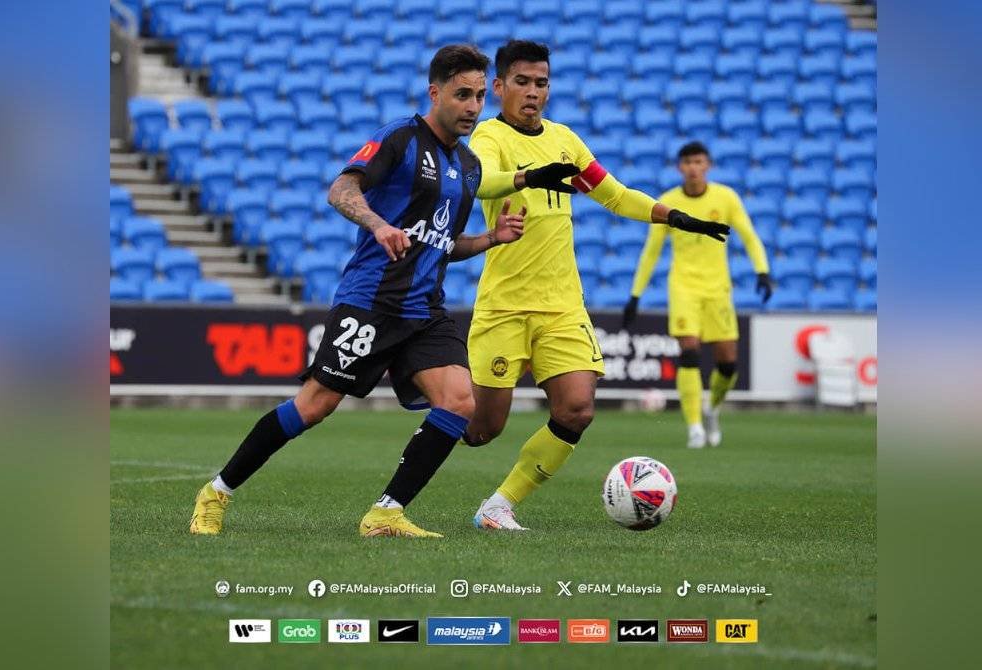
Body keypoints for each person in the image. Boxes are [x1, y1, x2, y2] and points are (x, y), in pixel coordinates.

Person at [189, 45, 531, 539]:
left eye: (480, 95)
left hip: (424, 310)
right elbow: (341, 190)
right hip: (371, 302)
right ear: (435, 93)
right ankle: (216, 492)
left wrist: (489, 240)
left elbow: (442, 244)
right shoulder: (398, 138)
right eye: (462, 95)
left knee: (459, 401)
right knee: (314, 405)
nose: (474, 106)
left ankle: (386, 513)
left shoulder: (470, 168)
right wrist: (378, 225)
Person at [462, 41, 731, 531]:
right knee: (483, 429)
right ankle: (434, 395)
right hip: (504, 306)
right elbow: (479, 181)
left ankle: (499, 505)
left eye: (541, 82)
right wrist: (528, 177)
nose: (533, 92)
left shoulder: (565, 139)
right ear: (498, 87)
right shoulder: (490, 136)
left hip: (562, 304)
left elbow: (613, 194)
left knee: (578, 408)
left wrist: (675, 217)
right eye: (521, 82)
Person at [623, 141, 772, 448]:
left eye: (699, 162)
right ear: (680, 167)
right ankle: (694, 427)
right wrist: (635, 295)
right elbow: (650, 252)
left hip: (718, 288)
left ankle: (712, 409)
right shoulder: (667, 202)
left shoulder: (726, 198)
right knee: (689, 351)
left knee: (728, 363)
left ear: (708, 166)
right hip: (683, 286)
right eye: (688, 162)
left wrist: (762, 271)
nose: (693, 167)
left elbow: (749, 235)